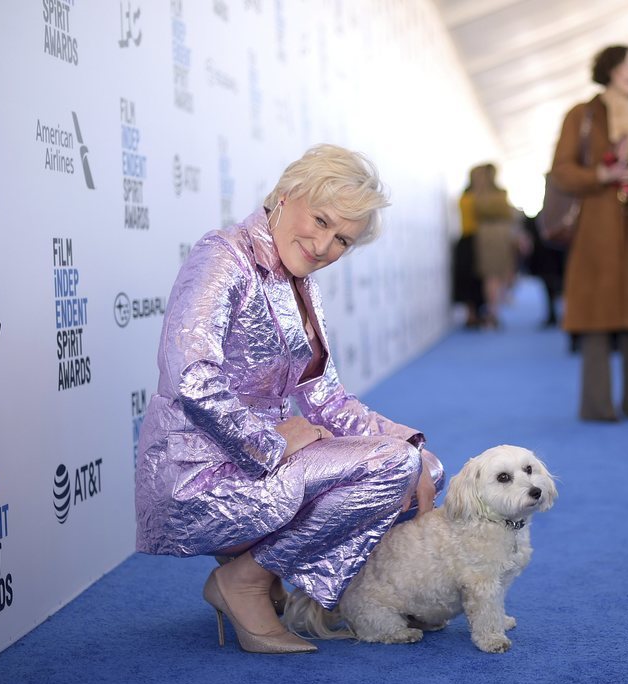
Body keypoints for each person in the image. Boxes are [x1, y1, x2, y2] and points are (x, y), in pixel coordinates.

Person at [134, 144, 444, 654]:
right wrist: (271, 442)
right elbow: (188, 376)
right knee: (394, 467)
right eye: (320, 220)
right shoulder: (223, 254)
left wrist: (409, 446)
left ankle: (334, 589)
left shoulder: (300, 283)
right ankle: (246, 581)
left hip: (262, 466)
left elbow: (326, 398)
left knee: (423, 469)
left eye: (342, 238)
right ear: (284, 194)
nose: (323, 245)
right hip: (200, 471)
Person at [550, 44, 628, 422]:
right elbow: (562, 170)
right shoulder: (581, 115)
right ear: (610, 70)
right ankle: (597, 406)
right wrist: (602, 175)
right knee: (596, 317)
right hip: (596, 228)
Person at [469, 163, 517, 329]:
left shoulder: (481, 194)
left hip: (488, 236)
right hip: (500, 235)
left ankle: (492, 311)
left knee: (491, 276)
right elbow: (510, 215)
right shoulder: (500, 194)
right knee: (496, 275)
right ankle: (493, 311)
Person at [454, 168, 486, 328]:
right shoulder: (468, 197)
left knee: (478, 279)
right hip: (468, 240)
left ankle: (478, 314)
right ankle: (471, 315)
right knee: (467, 278)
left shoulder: (482, 196)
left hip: (480, 241)